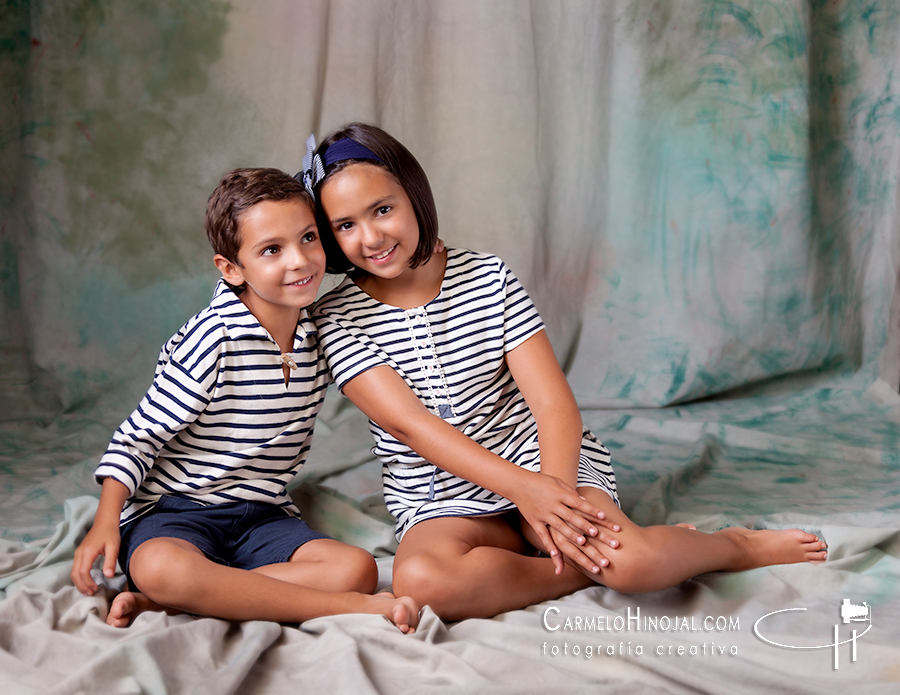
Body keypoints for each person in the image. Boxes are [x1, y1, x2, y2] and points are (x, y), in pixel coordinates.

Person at [305, 123, 828, 622]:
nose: (371, 236)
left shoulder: (486, 275)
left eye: (383, 209)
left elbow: (552, 402)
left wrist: (549, 492)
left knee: (635, 563)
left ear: (414, 196)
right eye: (345, 226)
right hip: (440, 493)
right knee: (423, 582)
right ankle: (581, 573)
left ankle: (730, 546)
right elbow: (411, 427)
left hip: (539, 460)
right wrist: (522, 495)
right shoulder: (337, 316)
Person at [71, 167, 418, 633]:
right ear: (232, 268)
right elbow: (137, 439)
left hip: (262, 515)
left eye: (309, 238)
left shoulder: (320, 332)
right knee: (161, 568)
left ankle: (181, 601)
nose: (299, 261)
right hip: (175, 514)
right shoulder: (214, 338)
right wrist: (106, 520)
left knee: (356, 569)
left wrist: (428, 256)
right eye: (272, 250)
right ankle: (347, 609)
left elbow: (384, 296)